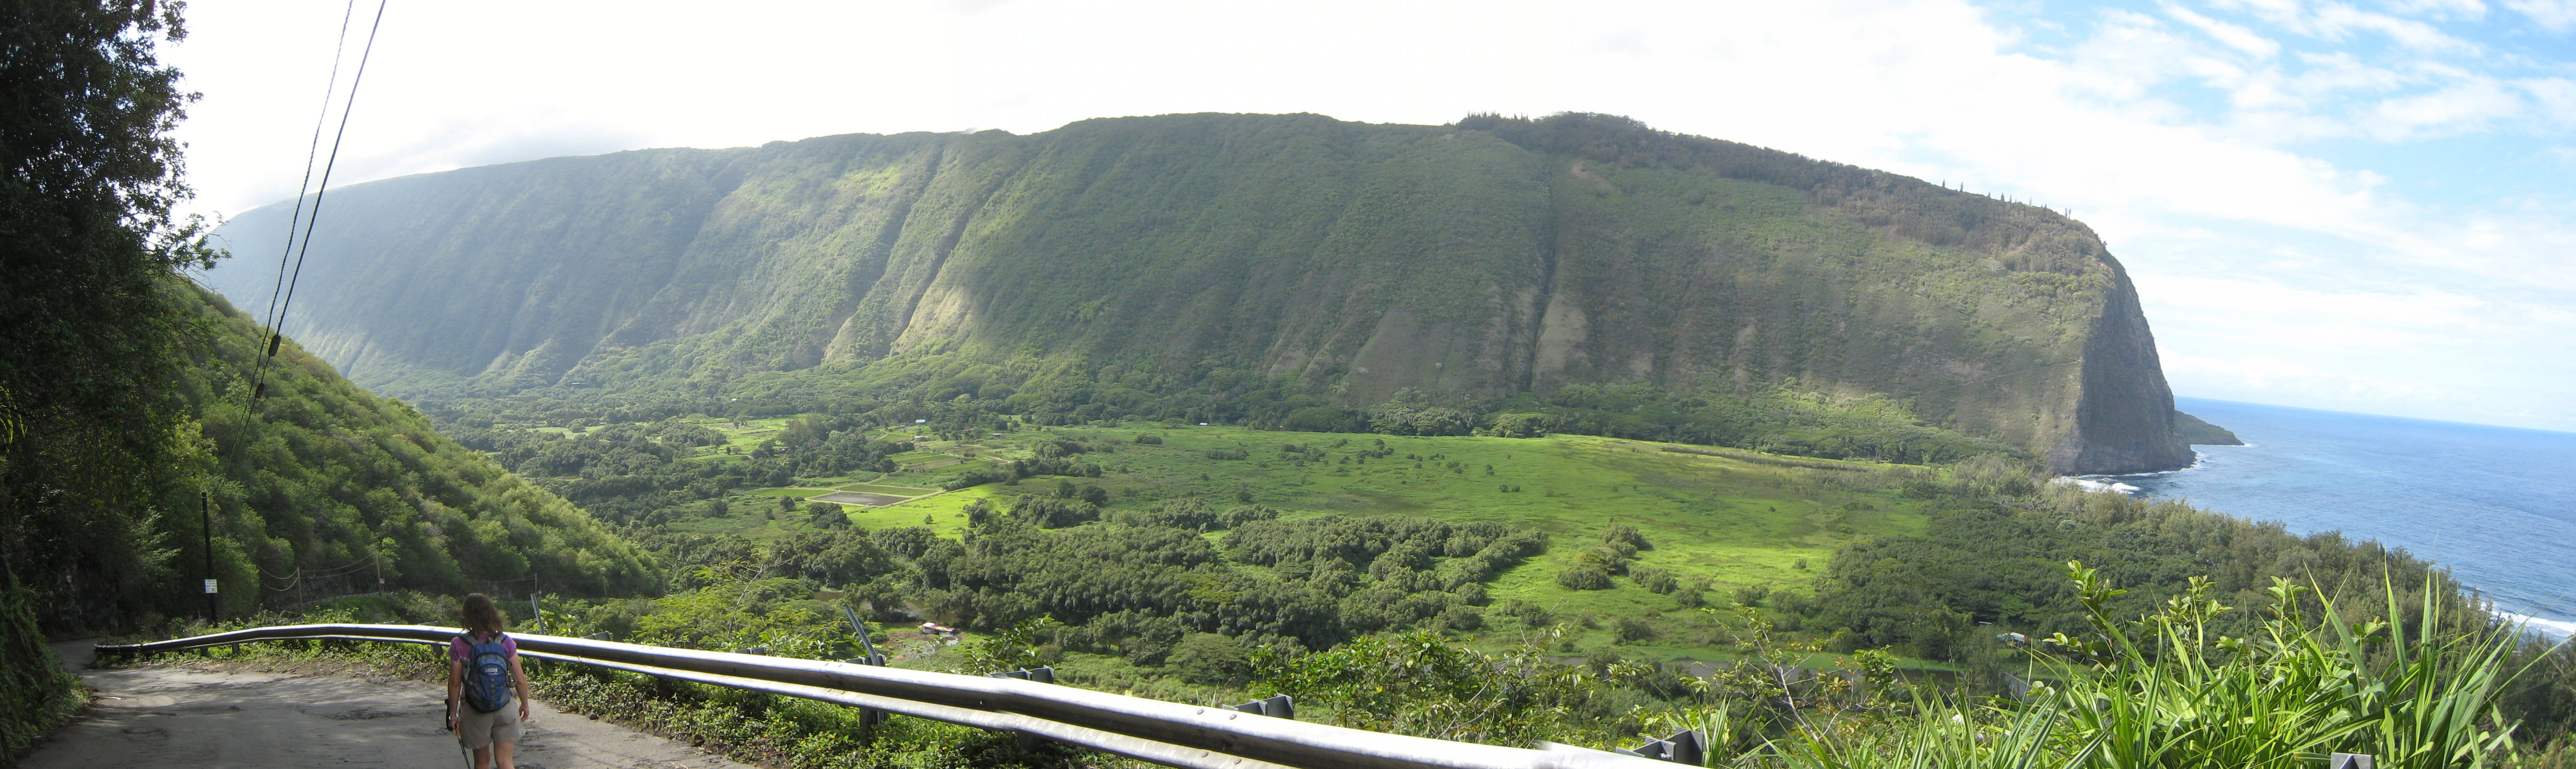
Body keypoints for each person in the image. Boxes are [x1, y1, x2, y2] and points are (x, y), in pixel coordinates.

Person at [447, 593, 532, 769]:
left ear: (466, 615)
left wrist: (454, 715)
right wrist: (525, 704)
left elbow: (455, 682)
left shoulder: (459, 644)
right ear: (492, 614)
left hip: (475, 708)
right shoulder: (505, 642)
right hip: (504, 706)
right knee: (506, 761)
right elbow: (520, 680)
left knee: (482, 762)